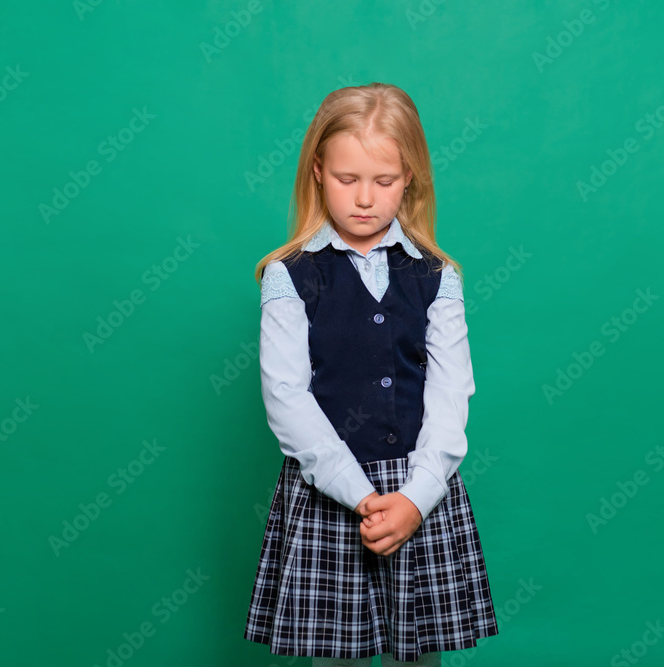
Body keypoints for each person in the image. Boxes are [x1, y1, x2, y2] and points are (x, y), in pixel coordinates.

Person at [244, 82, 498, 666]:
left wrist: (415, 498)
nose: (365, 198)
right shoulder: (290, 276)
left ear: (409, 177)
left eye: (383, 181)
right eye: (346, 179)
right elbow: (287, 397)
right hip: (332, 493)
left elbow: (450, 393)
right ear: (316, 172)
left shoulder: (438, 277)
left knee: (417, 657)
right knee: (338, 658)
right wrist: (360, 495)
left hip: (419, 493)